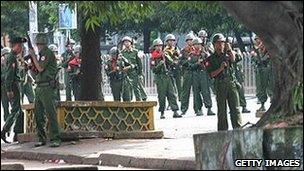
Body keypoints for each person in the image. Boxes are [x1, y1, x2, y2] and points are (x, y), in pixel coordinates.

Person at [29, 33, 61, 147]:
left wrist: (33, 56)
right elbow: (36, 71)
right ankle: (41, 138)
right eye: (37, 44)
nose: (38, 46)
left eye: (39, 44)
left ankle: (55, 138)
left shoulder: (47, 53)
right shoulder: (41, 54)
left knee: (50, 113)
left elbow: (41, 68)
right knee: (38, 115)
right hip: (39, 86)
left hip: (47, 87)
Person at [205, 33, 242, 131]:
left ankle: (237, 129)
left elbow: (235, 59)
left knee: (235, 109)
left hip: (231, 84)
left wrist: (229, 49)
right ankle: (222, 131)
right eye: (217, 43)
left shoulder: (229, 54)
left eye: (221, 43)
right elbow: (211, 74)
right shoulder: (210, 59)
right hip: (220, 84)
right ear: (213, 44)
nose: (220, 45)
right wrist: (220, 69)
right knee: (222, 111)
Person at [1, 37, 26, 143]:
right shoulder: (11, 57)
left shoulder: (15, 57)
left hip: (17, 85)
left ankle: (18, 134)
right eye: (20, 45)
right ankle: (4, 130)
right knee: (15, 110)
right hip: (14, 86)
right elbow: (9, 76)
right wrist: (9, 90)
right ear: (15, 46)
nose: (21, 48)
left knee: (20, 111)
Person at [150, 38, 182, 119]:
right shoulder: (153, 58)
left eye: (160, 46)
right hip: (160, 78)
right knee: (161, 95)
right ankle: (162, 112)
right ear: (154, 47)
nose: (159, 47)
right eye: (157, 46)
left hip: (167, 76)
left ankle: (175, 111)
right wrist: (160, 64)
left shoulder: (165, 54)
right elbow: (154, 70)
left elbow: (172, 63)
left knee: (172, 94)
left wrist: (167, 57)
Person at [121, 36, 147, 101]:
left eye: (128, 42)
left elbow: (139, 64)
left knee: (136, 88)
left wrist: (140, 74)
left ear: (131, 43)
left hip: (134, 73)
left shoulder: (135, 52)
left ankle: (139, 102)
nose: (126, 43)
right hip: (126, 74)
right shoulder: (122, 53)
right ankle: (129, 103)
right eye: (125, 42)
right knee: (127, 89)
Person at [197, 30, 216, 116]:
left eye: (203, 37)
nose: (202, 38)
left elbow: (212, 54)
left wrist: (206, 52)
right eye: (200, 37)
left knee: (216, 89)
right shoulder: (196, 46)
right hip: (202, 71)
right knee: (205, 91)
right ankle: (208, 108)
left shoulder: (209, 45)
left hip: (210, 70)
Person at [180, 33, 198, 115]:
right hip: (187, 71)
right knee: (185, 91)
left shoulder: (197, 50)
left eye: (191, 40)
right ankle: (183, 109)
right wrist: (187, 61)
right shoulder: (184, 50)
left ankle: (197, 109)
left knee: (196, 91)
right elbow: (181, 62)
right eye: (188, 40)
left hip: (195, 72)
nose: (190, 42)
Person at [164, 34, 182, 101]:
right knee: (171, 86)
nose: (171, 42)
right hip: (169, 68)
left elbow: (180, 58)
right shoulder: (165, 50)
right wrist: (172, 55)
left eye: (172, 41)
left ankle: (180, 97)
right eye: (169, 41)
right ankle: (172, 100)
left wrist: (177, 54)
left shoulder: (176, 48)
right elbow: (167, 59)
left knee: (179, 84)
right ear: (167, 41)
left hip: (177, 68)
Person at [233, 48, 251, 113]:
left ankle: (243, 106)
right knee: (232, 92)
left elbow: (239, 57)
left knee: (240, 91)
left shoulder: (236, 51)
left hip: (237, 74)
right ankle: (234, 108)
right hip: (230, 73)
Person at [1, 47, 11, 126]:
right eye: (5, 55)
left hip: (12, 88)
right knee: (5, 107)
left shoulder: (12, 63)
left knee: (15, 108)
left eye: (8, 54)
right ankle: (7, 125)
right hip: (3, 88)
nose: (7, 56)